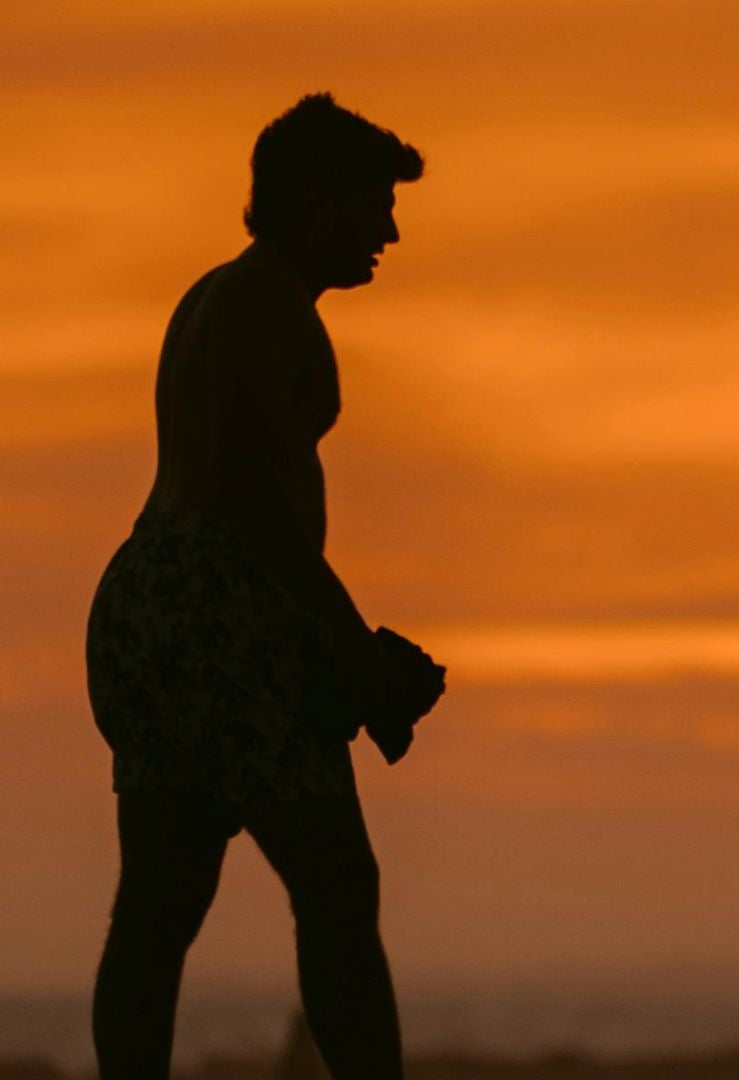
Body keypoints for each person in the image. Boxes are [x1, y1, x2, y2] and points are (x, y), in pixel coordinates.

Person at [85, 94, 445, 1080]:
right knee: (336, 883)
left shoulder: (220, 295)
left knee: (160, 897)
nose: (390, 230)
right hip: (222, 616)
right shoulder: (261, 305)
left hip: (164, 612)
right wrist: (352, 652)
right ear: (316, 200)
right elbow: (254, 503)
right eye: (375, 204)